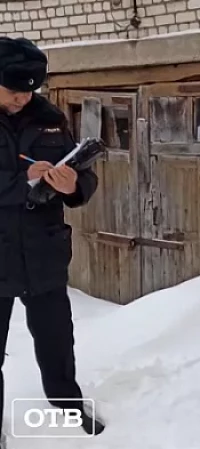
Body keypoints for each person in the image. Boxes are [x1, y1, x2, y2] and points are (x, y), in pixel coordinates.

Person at [0, 37, 104, 446]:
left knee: (57, 340)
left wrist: (73, 184)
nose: (24, 98)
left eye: (30, 89)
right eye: (14, 90)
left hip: (44, 252)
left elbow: (84, 175)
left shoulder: (51, 118)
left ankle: (67, 411)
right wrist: (22, 181)